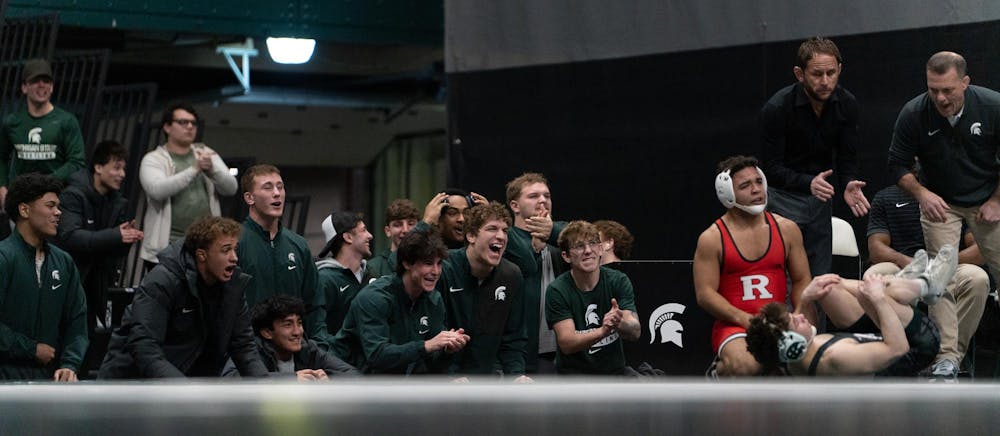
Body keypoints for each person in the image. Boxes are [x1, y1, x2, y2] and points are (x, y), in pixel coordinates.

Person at [887, 51, 1000, 310]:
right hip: (940, 202)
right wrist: (922, 194)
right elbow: (896, 165)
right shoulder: (914, 113)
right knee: (940, 281)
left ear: (965, 82)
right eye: (933, 89)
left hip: (987, 200)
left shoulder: (993, 107)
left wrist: (996, 200)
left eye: (948, 90)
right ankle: (947, 351)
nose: (940, 98)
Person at [99, 216, 268, 378]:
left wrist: (267, 390)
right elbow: (145, 348)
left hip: (187, 384)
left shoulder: (233, 286)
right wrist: (185, 392)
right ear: (202, 255)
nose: (234, 258)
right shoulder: (162, 281)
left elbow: (244, 346)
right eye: (226, 250)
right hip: (132, 383)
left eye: (235, 249)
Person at [746, 247, 957, 376]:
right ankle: (924, 284)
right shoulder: (837, 356)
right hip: (917, 344)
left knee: (826, 289)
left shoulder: (792, 360)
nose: (799, 315)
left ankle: (906, 284)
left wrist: (806, 298)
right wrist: (880, 301)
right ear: (791, 344)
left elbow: (803, 326)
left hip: (878, 335)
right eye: (795, 321)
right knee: (871, 292)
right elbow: (897, 349)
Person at [760, 37, 869, 277]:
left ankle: (817, 317)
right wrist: (806, 182)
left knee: (821, 278)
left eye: (831, 73)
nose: (825, 81)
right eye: (817, 74)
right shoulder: (778, 108)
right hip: (783, 197)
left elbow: (847, 156)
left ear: (839, 69)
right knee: (786, 277)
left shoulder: (847, 104)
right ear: (800, 73)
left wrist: (848, 182)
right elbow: (770, 168)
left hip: (820, 198)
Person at [693, 155, 812, 377]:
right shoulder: (712, 238)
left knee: (812, 362)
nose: (756, 190)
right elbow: (705, 294)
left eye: (759, 182)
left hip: (780, 321)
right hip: (735, 326)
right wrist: (744, 318)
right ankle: (719, 371)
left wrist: (798, 314)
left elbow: (802, 279)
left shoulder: (787, 229)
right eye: (745, 186)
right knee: (746, 366)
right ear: (727, 194)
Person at [865, 182, 988, 381]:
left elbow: (978, 250)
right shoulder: (886, 197)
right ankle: (903, 351)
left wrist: (941, 267)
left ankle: (946, 358)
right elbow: (876, 248)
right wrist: (909, 262)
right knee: (873, 275)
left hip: (949, 263)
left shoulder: (955, 195)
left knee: (978, 279)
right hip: (905, 265)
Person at [330, 230, 469, 374]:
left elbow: (432, 363)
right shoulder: (375, 298)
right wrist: (426, 345)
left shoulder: (433, 299)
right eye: (428, 263)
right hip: (347, 380)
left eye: (439, 264)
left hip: (397, 383)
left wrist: (447, 349)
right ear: (407, 263)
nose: (436, 271)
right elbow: (377, 356)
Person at [0, 174, 87, 381]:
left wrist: (69, 364)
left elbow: (77, 321)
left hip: (49, 383)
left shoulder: (64, 262)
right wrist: (31, 349)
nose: (58, 213)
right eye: (50, 205)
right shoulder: (4, 257)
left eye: (58, 206)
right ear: (24, 210)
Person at [56, 140, 143, 338]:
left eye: (124, 169)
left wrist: (126, 239)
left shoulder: (118, 202)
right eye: (116, 168)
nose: (122, 174)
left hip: (97, 283)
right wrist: (115, 235)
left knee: (87, 340)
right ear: (98, 167)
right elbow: (70, 236)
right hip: (70, 279)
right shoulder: (72, 195)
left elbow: (115, 249)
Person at [235, 164, 327, 347]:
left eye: (280, 186)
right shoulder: (235, 242)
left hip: (295, 351)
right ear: (249, 198)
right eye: (268, 187)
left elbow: (314, 303)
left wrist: (318, 345)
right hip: (248, 352)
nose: (277, 193)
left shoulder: (298, 244)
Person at [138, 102, 237, 270]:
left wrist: (212, 170)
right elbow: (157, 190)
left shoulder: (204, 153)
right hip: (166, 247)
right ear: (167, 127)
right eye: (183, 122)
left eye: (193, 123)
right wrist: (194, 170)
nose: (190, 127)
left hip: (205, 246)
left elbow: (231, 188)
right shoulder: (154, 159)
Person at [436, 201, 529, 380]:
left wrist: (517, 377)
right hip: (444, 379)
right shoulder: (444, 270)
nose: (501, 236)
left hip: (488, 379)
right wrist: (450, 377)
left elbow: (514, 339)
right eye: (492, 229)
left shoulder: (512, 275)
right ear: (471, 235)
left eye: (505, 230)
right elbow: (434, 332)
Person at [545, 220, 640, 375]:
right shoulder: (557, 289)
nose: (588, 250)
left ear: (601, 249)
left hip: (614, 374)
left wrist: (620, 322)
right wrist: (603, 331)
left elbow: (635, 330)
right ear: (566, 256)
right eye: (579, 246)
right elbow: (567, 343)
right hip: (574, 377)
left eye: (593, 243)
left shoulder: (618, 280)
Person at [504, 172, 568, 373]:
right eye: (533, 196)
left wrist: (551, 233)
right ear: (515, 206)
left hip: (562, 352)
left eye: (546, 196)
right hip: (521, 352)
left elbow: (588, 242)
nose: (542, 200)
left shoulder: (562, 235)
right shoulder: (505, 238)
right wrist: (535, 249)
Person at [0, 59, 86, 207]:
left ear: (52, 87)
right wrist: (2, 188)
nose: (41, 85)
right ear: (24, 87)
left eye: (46, 81)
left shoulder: (66, 121)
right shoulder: (12, 122)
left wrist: (44, 184)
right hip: (22, 201)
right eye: (35, 80)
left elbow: (76, 162)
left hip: (55, 200)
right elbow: (1, 157)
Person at [222, 295, 358, 380]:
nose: (297, 332)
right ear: (267, 332)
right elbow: (230, 380)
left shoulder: (309, 350)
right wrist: (292, 379)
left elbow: (353, 374)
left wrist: (325, 376)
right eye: (288, 325)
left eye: (299, 323)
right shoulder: (251, 351)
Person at [315, 210, 374, 341]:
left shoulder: (371, 274)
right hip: (339, 360)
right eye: (363, 230)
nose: (370, 236)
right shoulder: (325, 280)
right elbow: (318, 332)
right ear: (348, 237)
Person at [367, 198, 420, 278]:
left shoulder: (430, 264)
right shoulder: (374, 267)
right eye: (398, 225)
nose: (405, 230)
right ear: (388, 231)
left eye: (411, 223)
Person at [421, 188, 487, 250]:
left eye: (467, 213)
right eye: (452, 213)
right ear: (438, 218)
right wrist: (427, 221)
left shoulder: (477, 252)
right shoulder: (428, 251)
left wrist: (489, 220)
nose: (462, 219)